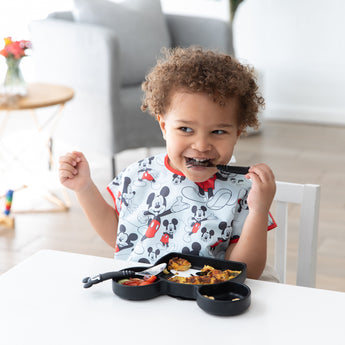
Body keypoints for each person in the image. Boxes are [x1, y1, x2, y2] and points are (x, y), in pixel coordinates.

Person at [59, 47, 276, 279]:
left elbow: (248, 272)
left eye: (218, 131)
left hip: (203, 303)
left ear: (238, 133)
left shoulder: (242, 191)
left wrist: (259, 210)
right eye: (185, 129)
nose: (202, 145)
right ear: (164, 127)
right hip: (141, 295)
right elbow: (119, 237)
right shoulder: (141, 176)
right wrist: (84, 188)